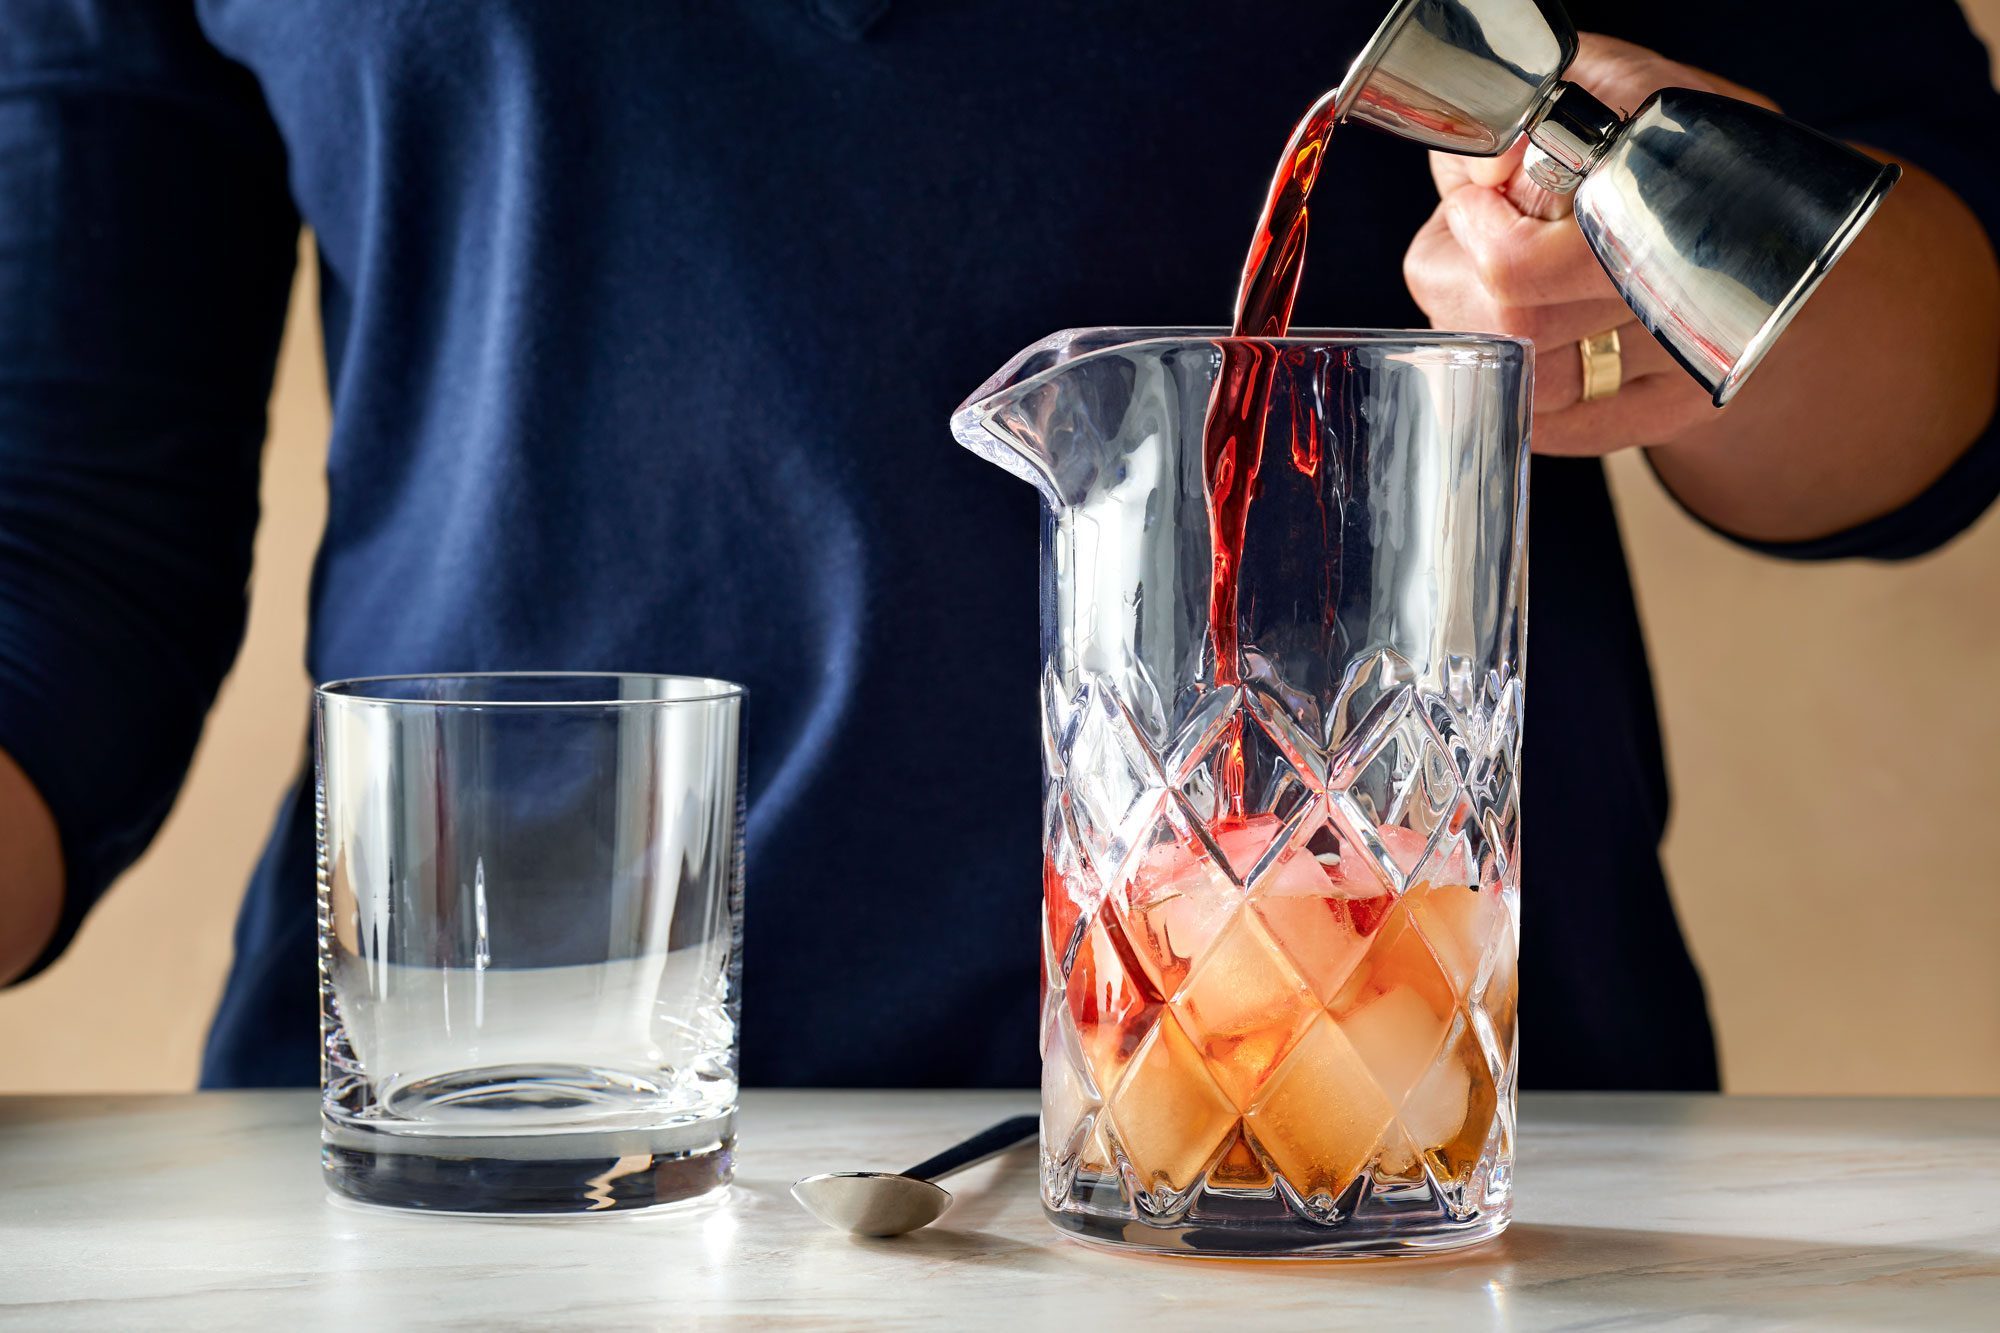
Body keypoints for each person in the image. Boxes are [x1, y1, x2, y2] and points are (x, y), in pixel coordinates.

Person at [1, 1, 1995, 1092]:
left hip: (1362, 1146)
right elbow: (58, 536)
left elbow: (1931, 403)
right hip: (498, 1140)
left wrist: (1678, 246)